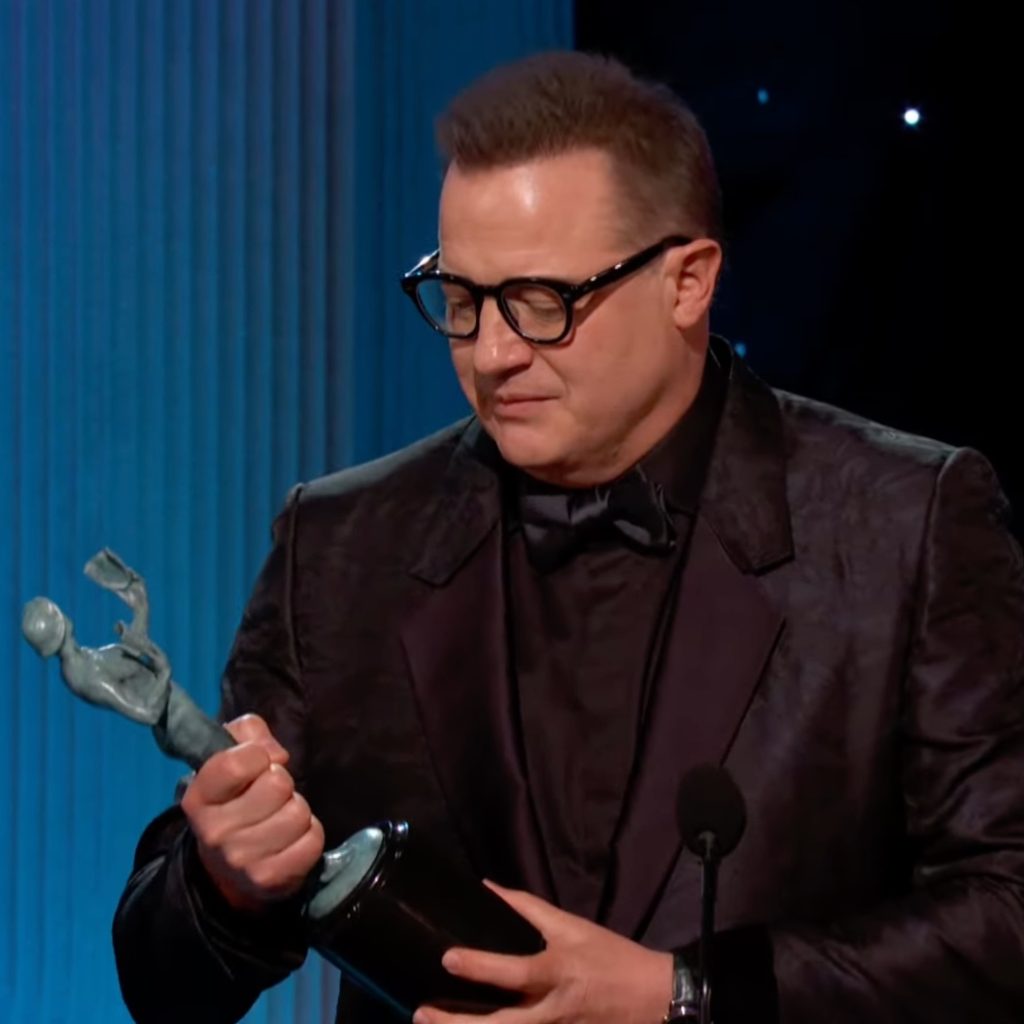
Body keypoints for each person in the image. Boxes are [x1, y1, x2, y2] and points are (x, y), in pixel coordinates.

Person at [111, 51, 1024, 1024]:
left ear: (687, 280)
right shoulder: (339, 549)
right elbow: (163, 985)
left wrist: (684, 995)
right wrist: (226, 885)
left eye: (542, 302)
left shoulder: (904, 524)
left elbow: (1006, 914)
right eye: (460, 301)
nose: (493, 353)